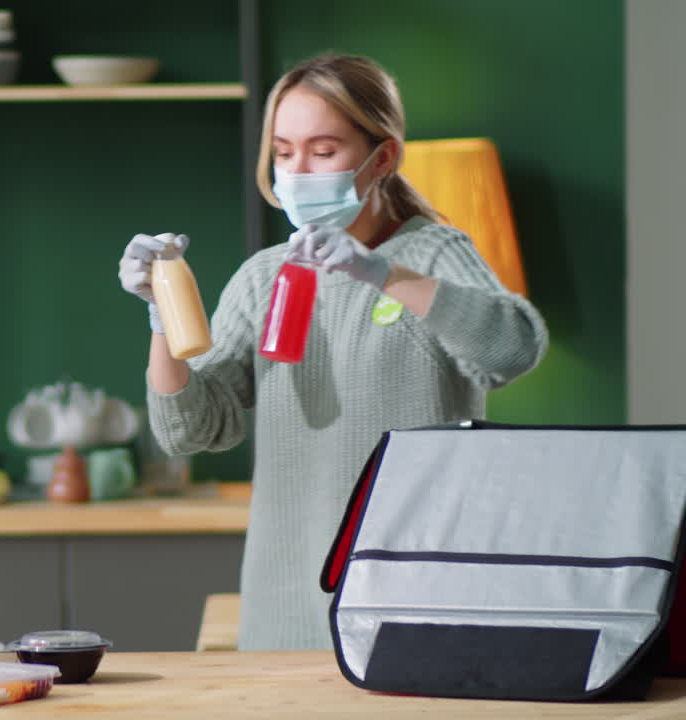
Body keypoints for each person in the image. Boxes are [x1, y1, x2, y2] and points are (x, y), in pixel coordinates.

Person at [117, 53, 549, 650]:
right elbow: (190, 428)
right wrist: (159, 311)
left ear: (383, 157)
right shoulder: (265, 275)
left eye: (324, 152)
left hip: (416, 590)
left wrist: (383, 275)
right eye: (285, 151)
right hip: (285, 601)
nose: (300, 171)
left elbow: (514, 348)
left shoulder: (434, 252)